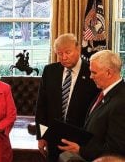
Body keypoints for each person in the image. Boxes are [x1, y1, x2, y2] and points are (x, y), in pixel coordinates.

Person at [35, 33, 100, 161]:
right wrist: (41, 136)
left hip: (80, 140)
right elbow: (41, 106)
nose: (63, 57)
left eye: (67, 52)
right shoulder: (50, 71)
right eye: (59, 54)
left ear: (78, 49)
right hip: (53, 138)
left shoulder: (91, 72)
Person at [58, 50, 125, 161]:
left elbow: (116, 149)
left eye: (94, 72)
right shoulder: (104, 92)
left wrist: (81, 150)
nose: (90, 77)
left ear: (109, 73)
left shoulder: (121, 103)